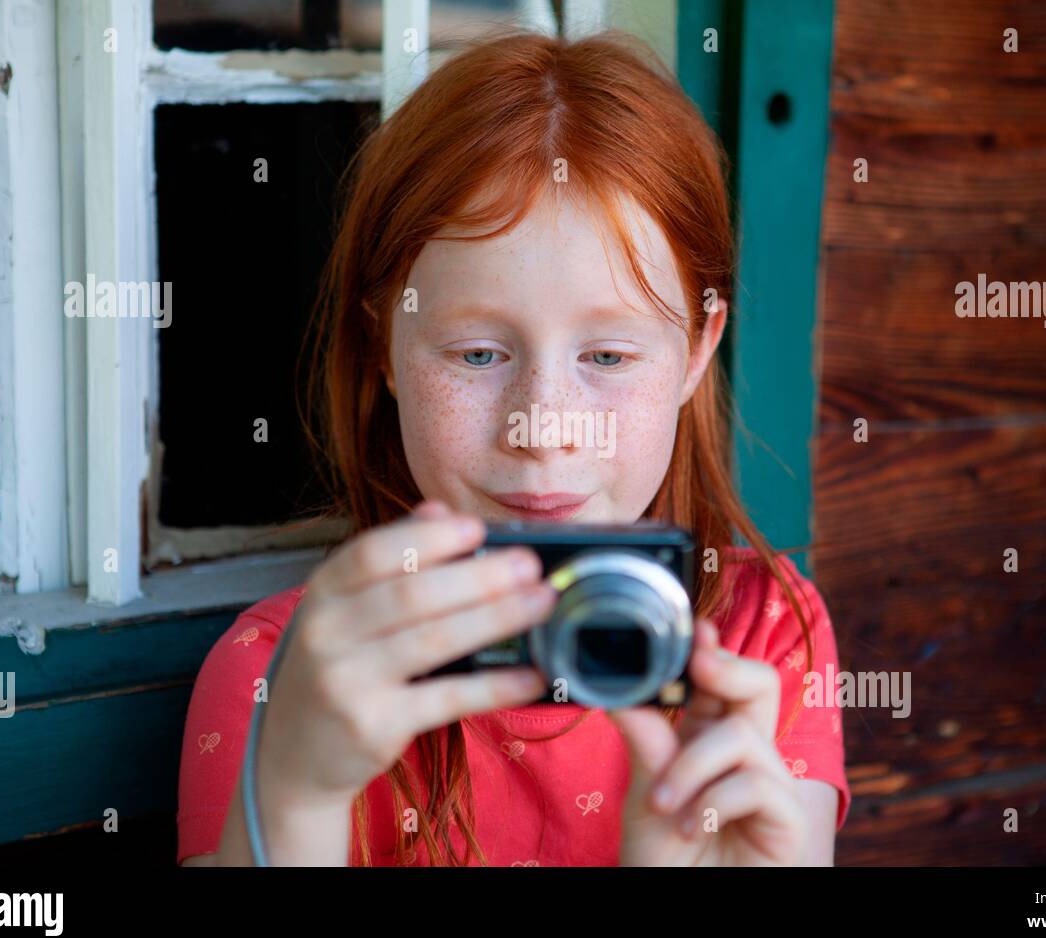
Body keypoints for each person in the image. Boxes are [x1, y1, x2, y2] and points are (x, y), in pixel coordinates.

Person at [177, 28, 849, 867]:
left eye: (607, 356)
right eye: (478, 355)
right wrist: (296, 798)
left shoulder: (764, 636)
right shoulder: (288, 681)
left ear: (698, 352)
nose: (542, 429)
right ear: (382, 344)